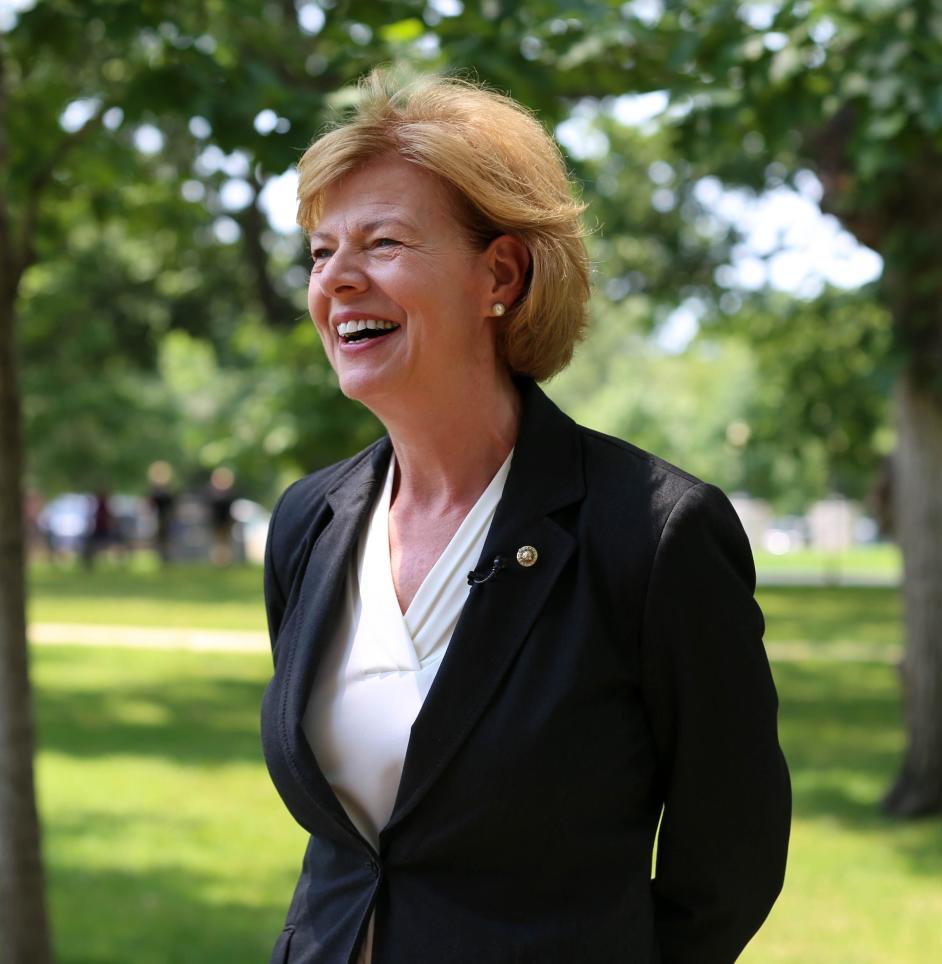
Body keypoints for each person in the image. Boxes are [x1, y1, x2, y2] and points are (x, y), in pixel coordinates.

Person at [260, 69, 790, 964]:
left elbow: (729, 862)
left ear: (499, 273)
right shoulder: (308, 523)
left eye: (382, 243)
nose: (337, 280)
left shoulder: (655, 534)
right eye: (320, 253)